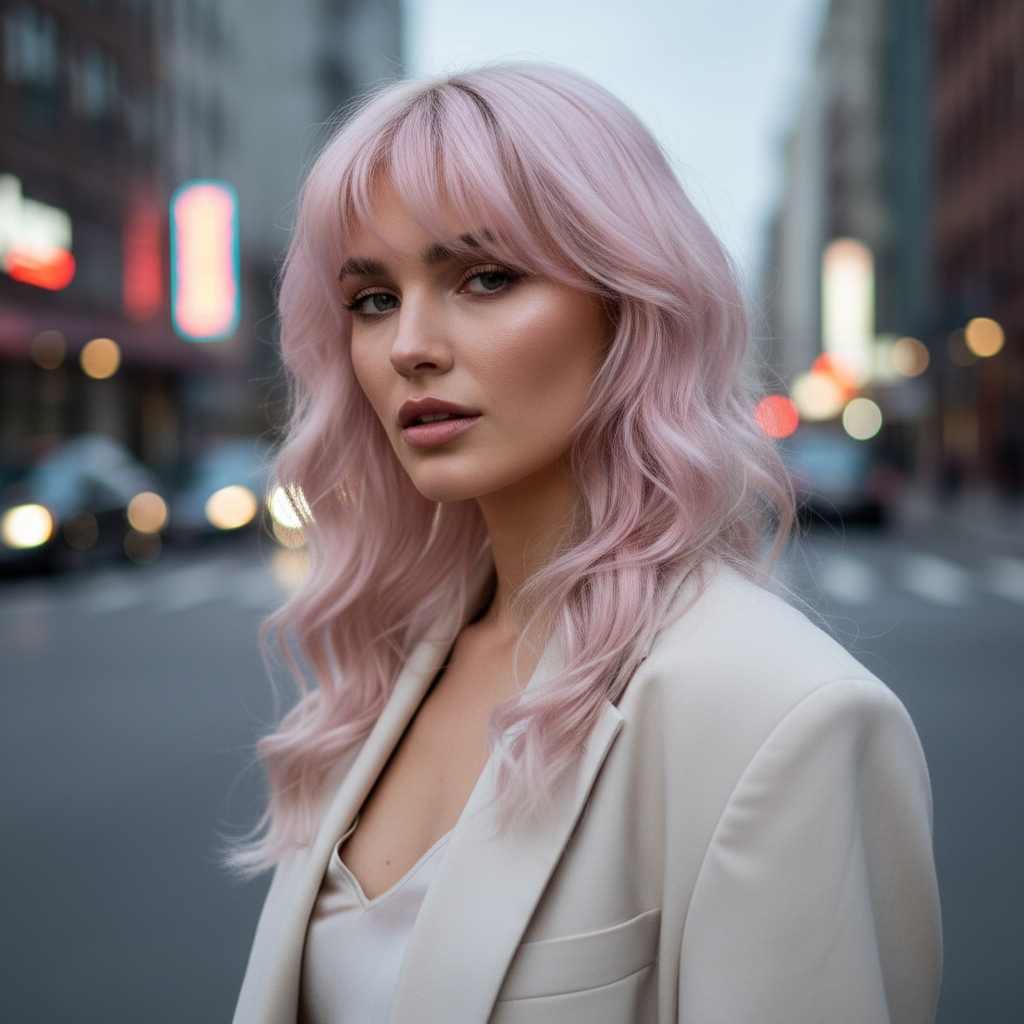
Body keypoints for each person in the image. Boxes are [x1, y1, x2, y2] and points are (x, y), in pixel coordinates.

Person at [232, 64, 941, 1024]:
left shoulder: (783, 716)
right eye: (371, 298)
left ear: (628, 307)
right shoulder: (395, 654)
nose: (409, 344)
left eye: (485, 278)